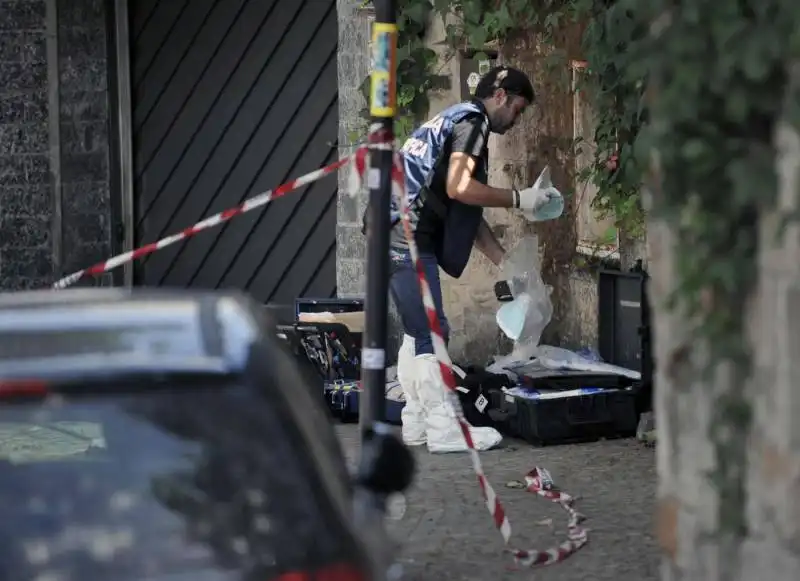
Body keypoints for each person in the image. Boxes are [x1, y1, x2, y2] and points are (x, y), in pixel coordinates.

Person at [388, 66, 561, 453]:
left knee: (418, 329)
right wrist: (519, 198)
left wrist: (506, 263)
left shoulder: (453, 119)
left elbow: (462, 210)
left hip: (396, 227)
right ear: (500, 95)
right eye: (518, 108)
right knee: (432, 330)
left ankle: (417, 420)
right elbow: (461, 187)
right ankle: (446, 428)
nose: (517, 120)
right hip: (407, 232)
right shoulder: (474, 122)